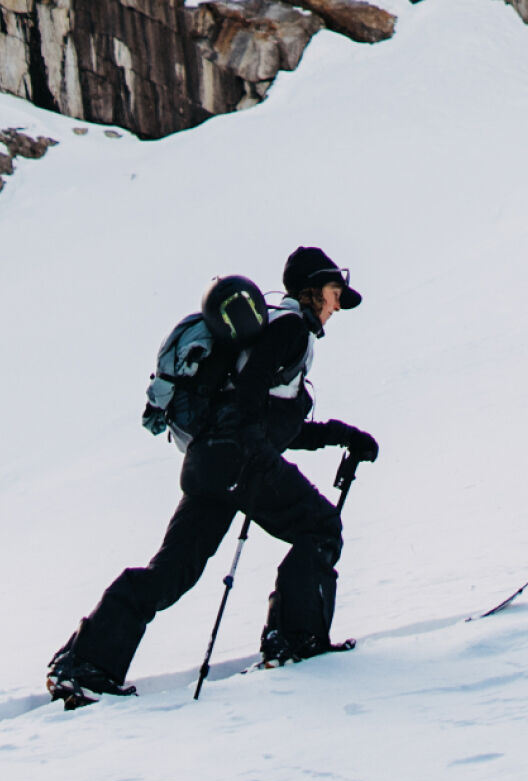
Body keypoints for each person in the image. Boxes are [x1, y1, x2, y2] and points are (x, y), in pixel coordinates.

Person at [48, 247, 381, 704]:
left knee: (172, 571)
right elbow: (250, 400)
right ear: (309, 291)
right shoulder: (290, 329)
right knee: (321, 527)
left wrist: (342, 435)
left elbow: (276, 420)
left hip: (209, 463)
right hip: (240, 462)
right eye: (334, 293)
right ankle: (294, 642)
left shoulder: (272, 333)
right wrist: (254, 450)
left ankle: (86, 663)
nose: (337, 305)